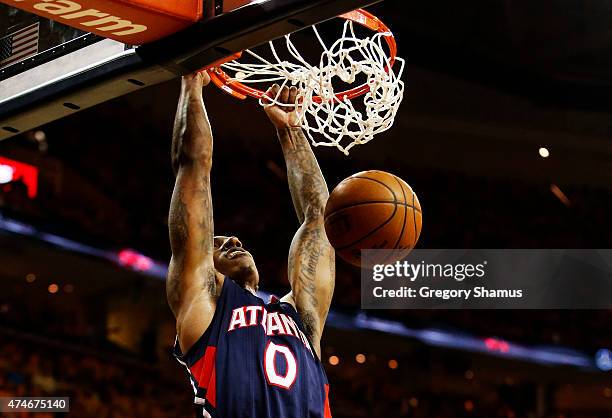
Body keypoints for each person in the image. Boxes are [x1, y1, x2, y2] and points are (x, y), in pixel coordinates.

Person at [166, 71, 335, 418]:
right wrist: (192, 82)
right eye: (215, 243)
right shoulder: (205, 309)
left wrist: (290, 130)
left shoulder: (301, 317)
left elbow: (319, 217)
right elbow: (194, 167)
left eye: (231, 238)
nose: (231, 239)